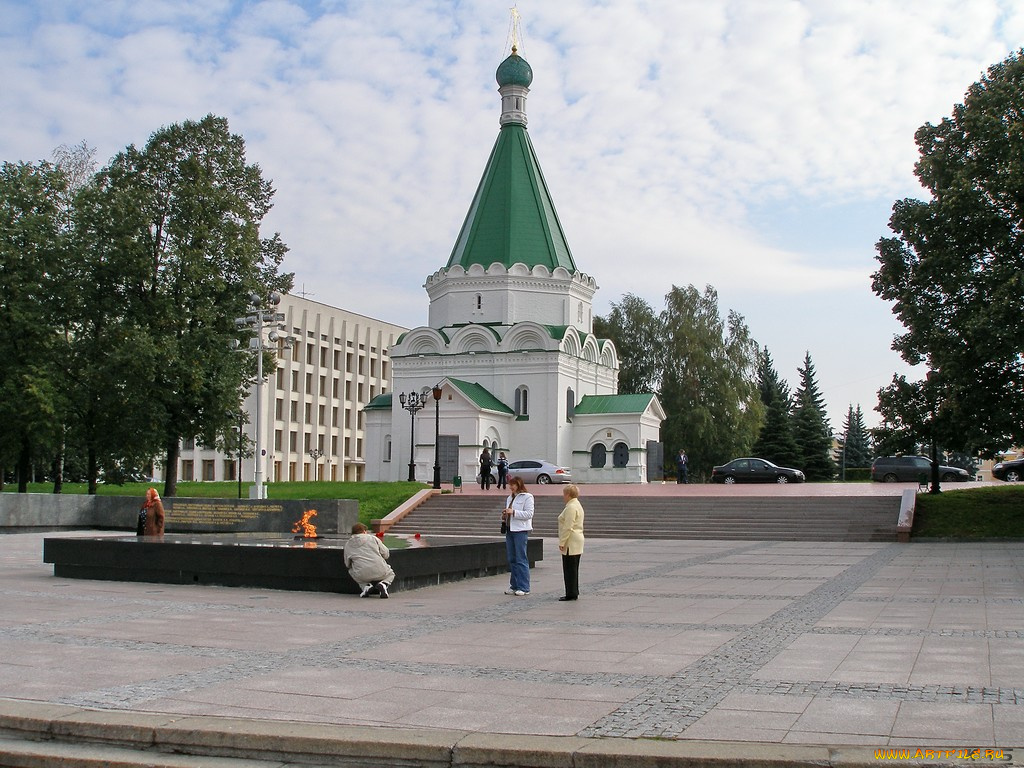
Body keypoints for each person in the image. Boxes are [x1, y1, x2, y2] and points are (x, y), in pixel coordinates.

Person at [501, 476, 534, 595]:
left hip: (520, 530)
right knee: (512, 558)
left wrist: (514, 512)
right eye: (510, 485)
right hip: (510, 529)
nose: (511, 487)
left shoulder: (527, 497)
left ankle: (524, 586)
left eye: (513, 485)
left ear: (519, 485)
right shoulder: (510, 498)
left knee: (521, 558)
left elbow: (529, 514)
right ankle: (514, 584)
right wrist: (505, 515)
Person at [343, 523, 395, 598]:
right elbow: (386, 554)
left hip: (361, 574)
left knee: (351, 570)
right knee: (391, 574)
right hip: (380, 571)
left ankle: (365, 586)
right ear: (364, 531)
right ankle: (384, 584)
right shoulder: (373, 538)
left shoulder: (348, 544)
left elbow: (347, 564)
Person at [557, 484, 584, 601]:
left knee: (569, 569)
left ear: (568, 494)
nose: (563, 496)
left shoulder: (571, 507)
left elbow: (568, 526)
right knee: (573, 568)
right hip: (576, 539)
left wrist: (562, 542)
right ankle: (573, 591)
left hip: (571, 542)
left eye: (564, 494)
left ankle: (571, 593)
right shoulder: (577, 504)